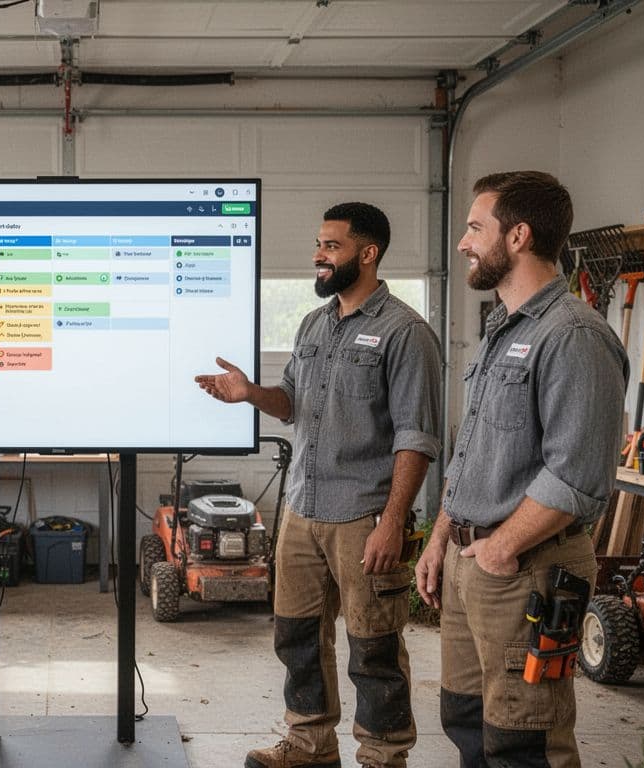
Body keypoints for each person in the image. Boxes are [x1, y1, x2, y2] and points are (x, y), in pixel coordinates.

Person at [196, 202, 442, 768]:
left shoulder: (405, 333)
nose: (318, 255)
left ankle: (383, 756)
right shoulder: (314, 324)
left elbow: (417, 438)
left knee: (373, 647)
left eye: (330, 246)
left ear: (368, 253)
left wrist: (394, 521)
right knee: (296, 636)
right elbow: (292, 403)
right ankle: (310, 743)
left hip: (363, 518)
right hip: (302, 511)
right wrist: (250, 394)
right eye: (319, 244)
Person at [415, 171, 627, 767]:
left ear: (518, 236)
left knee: (524, 742)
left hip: (525, 567)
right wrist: (442, 540)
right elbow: (472, 453)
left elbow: (577, 476)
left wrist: (500, 548)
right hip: (470, 562)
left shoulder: (574, 335)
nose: (463, 242)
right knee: (465, 721)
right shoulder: (500, 329)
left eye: (476, 227)